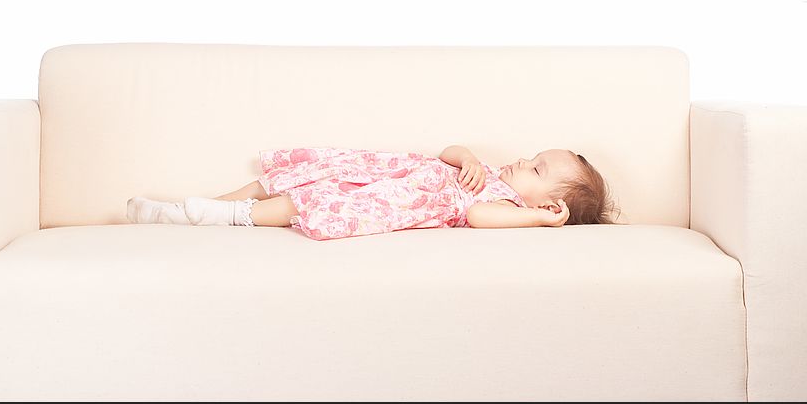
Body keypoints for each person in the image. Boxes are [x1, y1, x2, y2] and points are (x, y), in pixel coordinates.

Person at [126, 145, 620, 241]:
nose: (520, 162)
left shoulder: (508, 208)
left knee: (306, 202)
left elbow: (477, 219)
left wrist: (537, 221)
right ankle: (206, 205)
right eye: (532, 155)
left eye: (535, 169)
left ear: (549, 205)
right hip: (379, 170)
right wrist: (466, 156)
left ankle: (217, 218)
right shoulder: (485, 169)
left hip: (389, 199)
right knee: (300, 176)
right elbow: (449, 151)